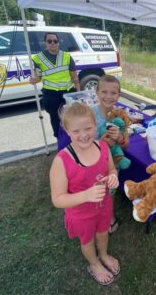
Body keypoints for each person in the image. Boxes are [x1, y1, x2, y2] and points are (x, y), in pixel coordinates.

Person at [50, 102, 120, 286]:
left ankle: (103, 255)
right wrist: (86, 195)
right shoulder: (62, 161)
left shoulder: (103, 147)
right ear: (66, 130)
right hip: (81, 215)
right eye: (76, 131)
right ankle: (94, 263)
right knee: (87, 241)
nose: (83, 135)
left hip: (104, 206)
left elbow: (111, 169)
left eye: (88, 128)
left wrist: (113, 177)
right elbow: (57, 199)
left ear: (95, 125)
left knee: (103, 232)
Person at [93, 75, 129, 234]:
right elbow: (82, 143)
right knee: (97, 190)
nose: (108, 96)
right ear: (97, 92)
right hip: (94, 163)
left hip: (112, 163)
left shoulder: (120, 115)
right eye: (104, 92)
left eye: (113, 93)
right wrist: (101, 141)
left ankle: (109, 216)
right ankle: (94, 215)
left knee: (111, 190)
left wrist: (119, 138)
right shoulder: (90, 115)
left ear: (119, 95)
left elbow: (126, 144)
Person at [30, 32, 81, 138]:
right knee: (55, 118)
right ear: (45, 43)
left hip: (68, 92)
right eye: (49, 41)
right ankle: (59, 139)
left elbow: (74, 76)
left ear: (58, 43)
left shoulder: (66, 56)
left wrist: (79, 93)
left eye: (55, 41)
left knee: (72, 117)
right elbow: (38, 76)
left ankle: (72, 138)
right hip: (51, 94)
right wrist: (34, 79)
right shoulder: (38, 59)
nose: (52, 43)